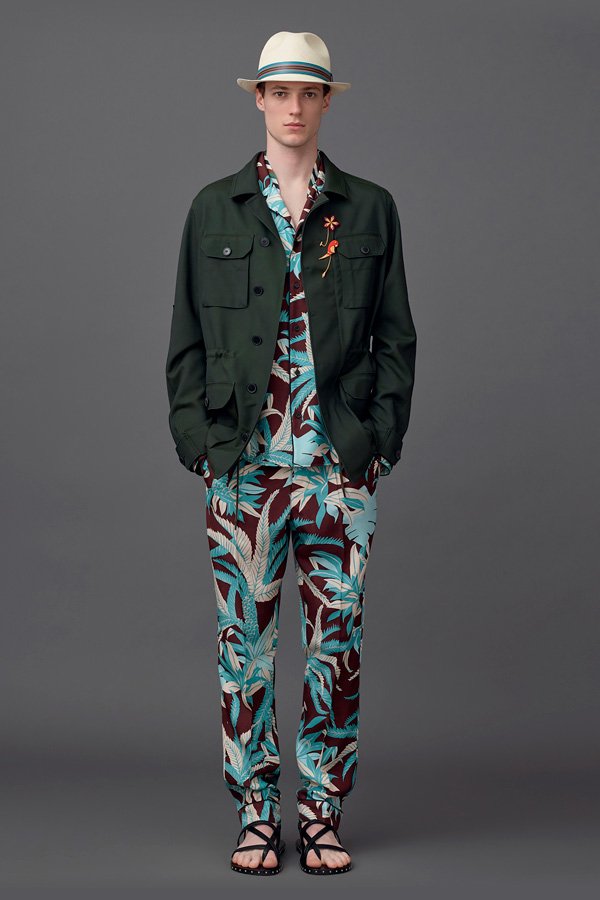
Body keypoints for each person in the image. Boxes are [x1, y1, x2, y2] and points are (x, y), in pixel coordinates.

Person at [165, 31, 417, 876]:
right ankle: (254, 812)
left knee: (335, 648)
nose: (294, 107)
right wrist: (202, 449)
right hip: (243, 469)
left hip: (339, 467)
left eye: (310, 92)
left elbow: (397, 338)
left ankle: (320, 813)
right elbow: (185, 340)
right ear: (259, 99)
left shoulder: (369, 209)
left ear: (327, 101)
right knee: (244, 649)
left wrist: (377, 443)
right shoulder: (214, 208)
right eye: (280, 92)